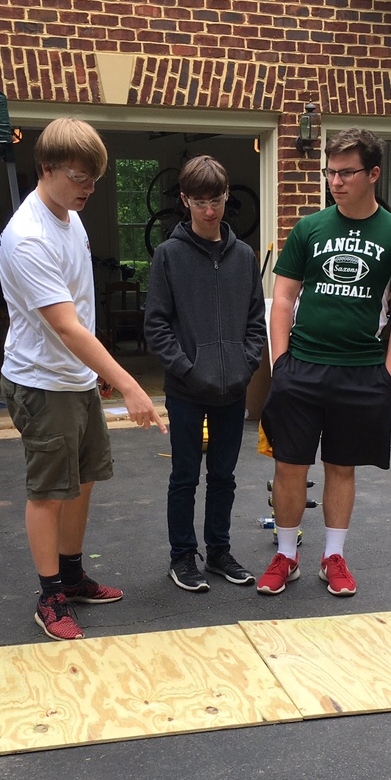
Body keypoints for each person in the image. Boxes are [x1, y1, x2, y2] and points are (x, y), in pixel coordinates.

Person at [0, 117, 166, 642]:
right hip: (42, 382)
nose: (89, 189)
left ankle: (71, 574)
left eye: (95, 179)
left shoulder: (70, 215)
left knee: (84, 478)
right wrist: (131, 383)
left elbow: (80, 311)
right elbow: (66, 326)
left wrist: (96, 374)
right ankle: (49, 594)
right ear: (45, 169)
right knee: (50, 490)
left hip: (74, 378)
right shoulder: (27, 238)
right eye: (79, 178)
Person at [257, 127, 391, 596]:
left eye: (346, 172)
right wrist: (280, 363)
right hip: (302, 368)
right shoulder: (309, 228)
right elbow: (283, 297)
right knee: (289, 465)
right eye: (330, 171)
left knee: (341, 466)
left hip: (360, 372)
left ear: (373, 173)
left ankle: (334, 556)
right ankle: (286, 555)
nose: (336, 180)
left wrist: (387, 379)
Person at [144, 155, 266, 591]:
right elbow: (155, 325)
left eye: (215, 200)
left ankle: (218, 551)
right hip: (186, 390)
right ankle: (182, 557)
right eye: (199, 202)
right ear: (184, 201)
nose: (209, 211)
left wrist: (246, 364)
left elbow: (256, 321)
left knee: (224, 476)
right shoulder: (168, 256)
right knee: (184, 476)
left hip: (232, 389)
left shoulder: (244, 256)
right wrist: (187, 369)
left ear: (227, 196)